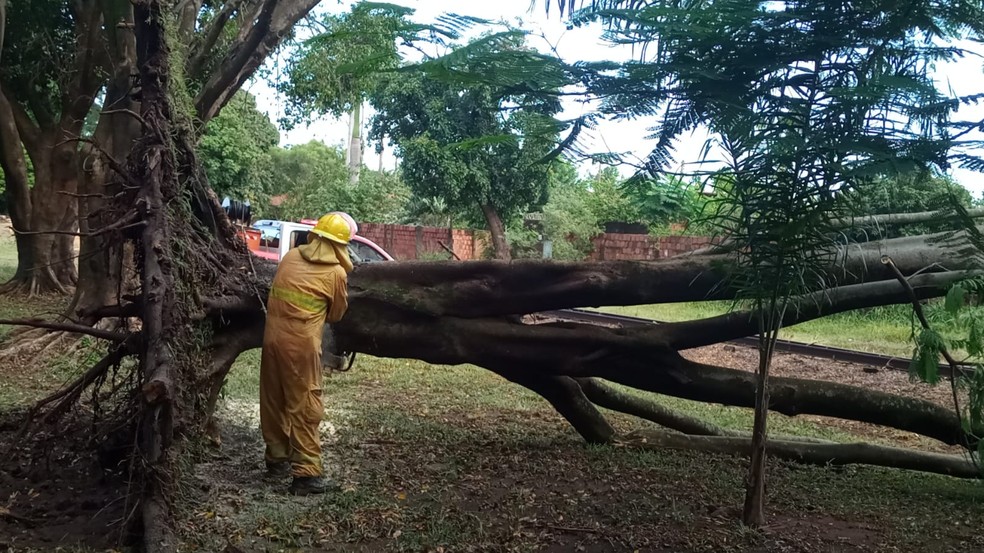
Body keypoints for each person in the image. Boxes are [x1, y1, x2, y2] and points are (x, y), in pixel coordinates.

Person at [259, 212, 354, 496]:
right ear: (339, 245)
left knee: (273, 399)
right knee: (305, 405)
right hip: (301, 348)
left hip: (272, 340)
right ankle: (307, 475)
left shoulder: (289, 257)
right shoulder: (335, 273)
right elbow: (336, 315)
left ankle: (276, 460)